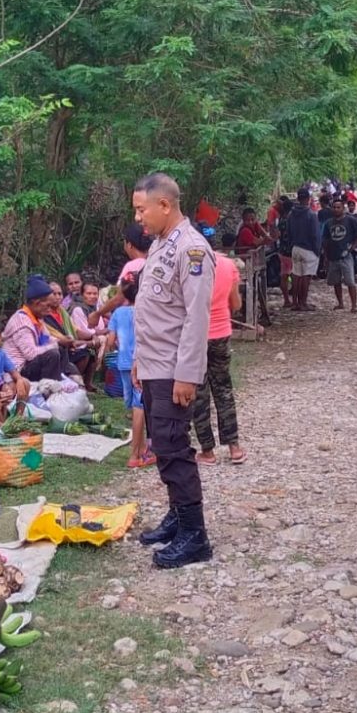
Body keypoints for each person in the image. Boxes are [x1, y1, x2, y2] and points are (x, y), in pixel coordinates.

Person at [130, 172, 215, 568]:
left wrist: (187, 375)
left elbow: (197, 318)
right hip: (153, 365)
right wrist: (138, 361)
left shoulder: (192, 250)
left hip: (172, 370)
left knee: (174, 448)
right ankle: (178, 517)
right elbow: (154, 310)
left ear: (164, 205)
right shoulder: (161, 244)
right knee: (162, 446)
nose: (138, 218)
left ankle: (195, 535)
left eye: (141, 209)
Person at [192, 251, 245, 465]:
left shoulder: (189, 265)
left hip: (195, 337)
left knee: (199, 393)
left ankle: (207, 451)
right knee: (223, 390)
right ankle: (234, 448)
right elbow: (237, 304)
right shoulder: (227, 264)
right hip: (221, 333)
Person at [106, 281, 155, 469]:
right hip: (142, 362)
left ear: (125, 296)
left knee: (133, 405)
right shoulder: (146, 312)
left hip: (123, 363)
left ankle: (142, 447)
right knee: (139, 407)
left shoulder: (118, 313)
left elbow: (110, 341)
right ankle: (135, 455)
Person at [4, 275, 78, 383]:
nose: (49, 311)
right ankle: (49, 390)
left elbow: (47, 338)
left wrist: (62, 341)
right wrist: (57, 344)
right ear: (37, 303)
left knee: (61, 349)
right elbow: (31, 354)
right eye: (48, 306)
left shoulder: (37, 318)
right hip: (18, 371)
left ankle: (59, 382)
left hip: (31, 364)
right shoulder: (22, 322)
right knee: (52, 355)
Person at [322, 197, 357, 312]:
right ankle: (340, 303)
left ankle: (354, 305)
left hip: (346, 255)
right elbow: (325, 240)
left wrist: (354, 246)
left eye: (338, 207)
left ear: (343, 208)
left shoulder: (351, 220)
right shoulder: (328, 223)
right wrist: (326, 257)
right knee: (336, 282)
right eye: (334, 207)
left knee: (350, 281)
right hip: (333, 255)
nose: (336, 209)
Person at [41, 281, 90, 378]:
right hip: (55, 348)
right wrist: (68, 341)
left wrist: (92, 336)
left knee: (88, 353)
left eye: (59, 294)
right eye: (54, 294)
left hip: (68, 344)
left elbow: (75, 330)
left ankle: (84, 382)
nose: (57, 297)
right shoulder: (43, 313)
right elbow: (50, 335)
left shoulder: (62, 311)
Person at [70, 281, 110, 391]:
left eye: (95, 293)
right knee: (86, 352)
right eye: (89, 293)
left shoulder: (95, 309)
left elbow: (98, 328)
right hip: (76, 343)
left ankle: (89, 383)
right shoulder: (78, 309)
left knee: (100, 345)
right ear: (82, 295)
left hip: (91, 341)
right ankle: (76, 383)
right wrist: (105, 331)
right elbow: (83, 333)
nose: (92, 296)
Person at [286, 187, 321, 311]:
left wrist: (291, 245)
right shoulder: (311, 214)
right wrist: (317, 251)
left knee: (296, 275)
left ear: (298, 198)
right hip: (308, 249)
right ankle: (303, 302)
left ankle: (295, 302)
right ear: (308, 199)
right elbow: (315, 234)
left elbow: (288, 232)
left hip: (295, 248)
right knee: (306, 276)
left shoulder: (291, 214)